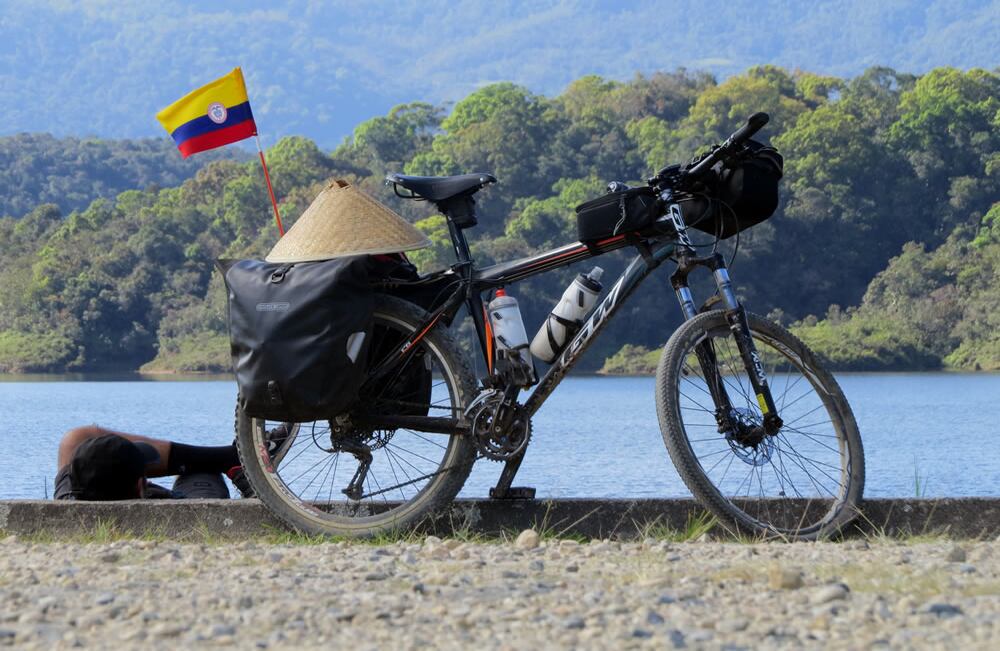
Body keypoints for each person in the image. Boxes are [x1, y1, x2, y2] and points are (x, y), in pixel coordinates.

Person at [54, 424, 291, 500]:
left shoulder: (67, 496)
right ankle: (231, 462)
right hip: (189, 498)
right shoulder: (159, 505)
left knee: (75, 439)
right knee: (201, 474)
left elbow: (74, 439)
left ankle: (232, 459)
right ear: (140, 487)